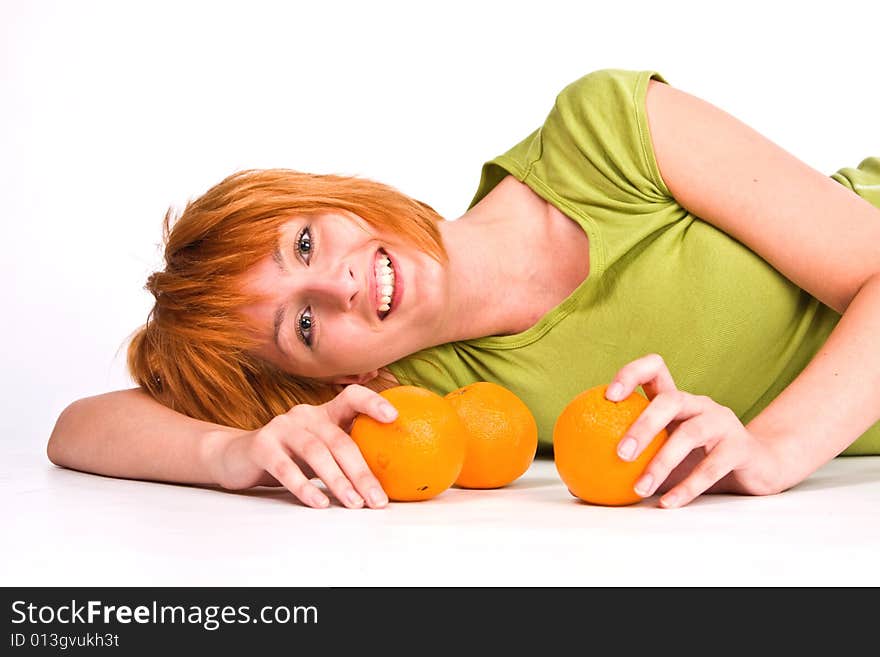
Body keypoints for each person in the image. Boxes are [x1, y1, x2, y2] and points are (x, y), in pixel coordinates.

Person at [47, 68, 880, 511]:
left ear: (326, 194)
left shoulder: (604, 134)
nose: (332, 282)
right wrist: (229, 453)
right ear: (334, 377)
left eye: (303, 241)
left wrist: (772, 452)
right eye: (301, 323)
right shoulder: (417, 397)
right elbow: (76, 429)